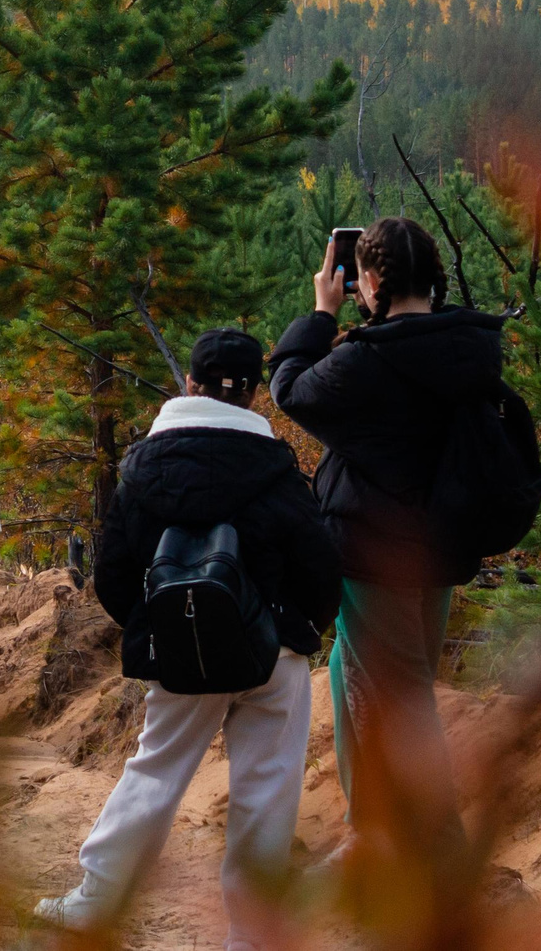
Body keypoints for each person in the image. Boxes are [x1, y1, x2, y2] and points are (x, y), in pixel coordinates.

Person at [37, 329, 342, 937]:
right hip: (273, 652)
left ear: (189, 386)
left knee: (155, 770)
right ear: (254, 394)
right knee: (267, 789)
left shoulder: (143, 470)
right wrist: (297, 629)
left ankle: (97, 897)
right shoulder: (279, 472)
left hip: (183, 652)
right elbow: (319, 568)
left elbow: (114, 573)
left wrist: (161, 630)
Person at [269, 216, 502, 863]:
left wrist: (322, 312)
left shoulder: (369, 359)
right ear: (434, 278)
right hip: (440, 549)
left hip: (376, 553)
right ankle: (369, 826)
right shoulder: (464, 344)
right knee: (356, 668)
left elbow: (290, 387)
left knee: (401, 701)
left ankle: (441, 863)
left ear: (368, 280)